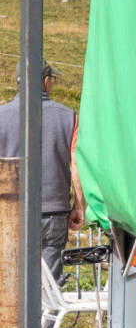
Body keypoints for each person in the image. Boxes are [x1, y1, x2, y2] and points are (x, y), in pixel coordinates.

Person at [0, 63, 84, 284]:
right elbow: (76, 165)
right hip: (53, 213)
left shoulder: (1, 116)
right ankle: (45, 320)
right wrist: (79, 206)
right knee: (48, 287)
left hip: (11, 211)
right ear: (45, 81)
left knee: (11, 282)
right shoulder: (69, 117)